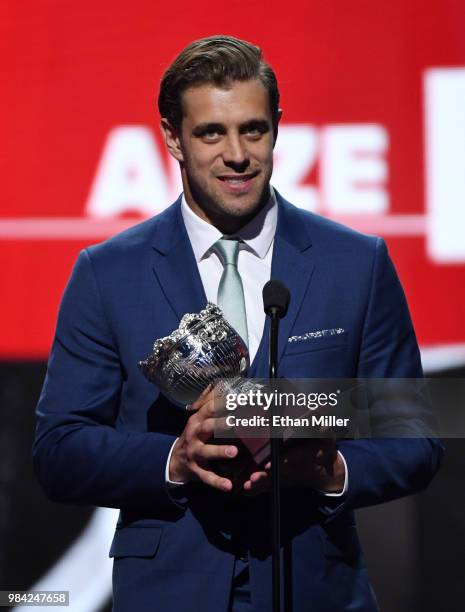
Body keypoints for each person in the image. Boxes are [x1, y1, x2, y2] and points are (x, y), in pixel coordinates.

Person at [33, 35, 443, 611]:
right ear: (173, 137)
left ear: (277, 127)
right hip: (167, 591)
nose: (237, 155)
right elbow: (59, 449)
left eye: (253, 129)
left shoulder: (356, 263)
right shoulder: (108, 274)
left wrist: (329, 468)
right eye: (211, 133)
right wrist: (173, 459)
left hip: (315, 586)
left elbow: (415, 436)